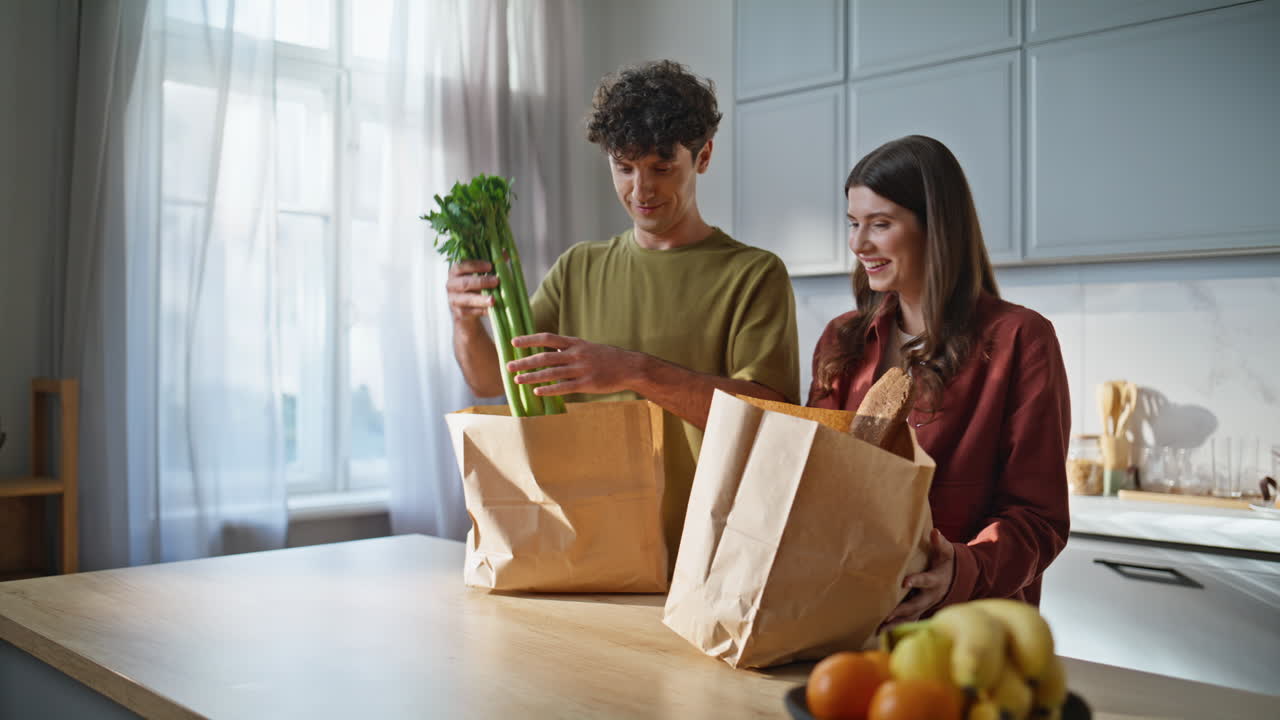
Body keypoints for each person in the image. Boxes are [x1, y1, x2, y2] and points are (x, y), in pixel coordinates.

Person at [446, 60, 800, 562]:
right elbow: (488, 379)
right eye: (624, 167)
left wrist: (632, 370)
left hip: (707, 556)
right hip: (584, 548)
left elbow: (770, 419)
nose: (641, 190)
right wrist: (464, 321)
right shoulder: (578, 267)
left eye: (662, 168)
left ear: (703, 157)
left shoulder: (754, 274)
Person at [807, 135, 1070, 622]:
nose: (858, 244)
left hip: (967, 627)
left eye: (880, 224)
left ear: (936, 227)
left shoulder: (1020, 339)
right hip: (847, 616)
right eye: (854, 223)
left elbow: (1039, 517)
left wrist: (964, 569)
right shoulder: (842, 339)